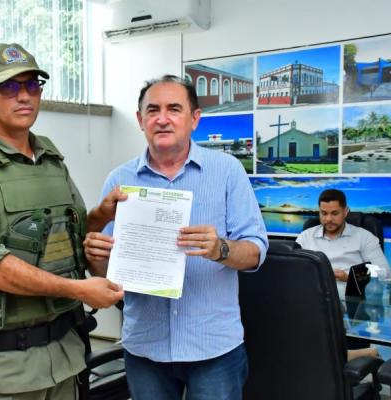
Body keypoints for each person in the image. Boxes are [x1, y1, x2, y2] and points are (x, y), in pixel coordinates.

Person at [0, 42, 124, 399]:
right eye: (7, 87)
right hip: (6, 367)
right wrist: (79, 290)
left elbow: (74, 235)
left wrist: (102, 214)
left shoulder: (51, 159)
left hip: (67, 353)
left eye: (32, 85)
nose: (23, 96)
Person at [83, 75, 269, 400]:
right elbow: (107, 277)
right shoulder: (120, 179)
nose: (163, 118)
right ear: (140, 120)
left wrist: (219, 249)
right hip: (145, 348)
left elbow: (255, 252)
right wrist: (96, 257)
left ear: (194, 118)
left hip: (214, 348)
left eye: (174, 109)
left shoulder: (227, 171)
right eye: (153, 110)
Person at [296, 188, 391, 297]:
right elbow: (293, 270)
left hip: (349, 299)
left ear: (346, 211)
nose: (328, 219)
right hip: (312, 295)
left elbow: (385, 273)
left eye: (334, 213)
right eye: (324, 213)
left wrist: (350, 277)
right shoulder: (305, 236)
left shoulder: (364, 237)